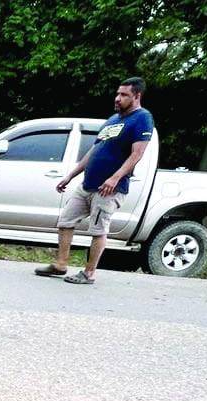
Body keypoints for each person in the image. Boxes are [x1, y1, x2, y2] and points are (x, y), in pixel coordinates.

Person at [35, 77, 155, 284]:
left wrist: (115, 178)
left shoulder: (142, 118)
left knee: (98, 230)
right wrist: (71, 175)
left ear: (137, 96)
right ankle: (60, 264)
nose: (118, 98)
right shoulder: (112, 120)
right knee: (65, 221)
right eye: (117, 94)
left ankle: (89, 273)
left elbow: (137, 153)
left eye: (124, 95)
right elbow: (95, 150)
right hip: (87, 185)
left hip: (108, 189)